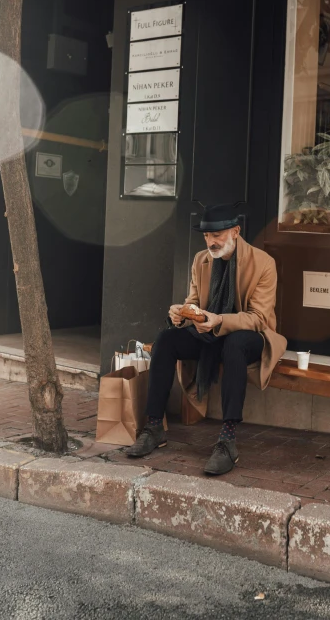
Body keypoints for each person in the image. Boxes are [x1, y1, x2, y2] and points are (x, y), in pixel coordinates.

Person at [126, 203, 287, 475]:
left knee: (235, 344)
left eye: (218, 235)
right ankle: (154, 427)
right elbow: (194, 302)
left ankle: (227, 439)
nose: (211, 242)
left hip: (252, 336)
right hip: (209, 330)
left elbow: (258, 318)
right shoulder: (201, 259)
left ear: (235, 232)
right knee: (166, 338)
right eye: (206, 236)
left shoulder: (263, 263)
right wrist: (181, 314)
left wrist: (220, 320)